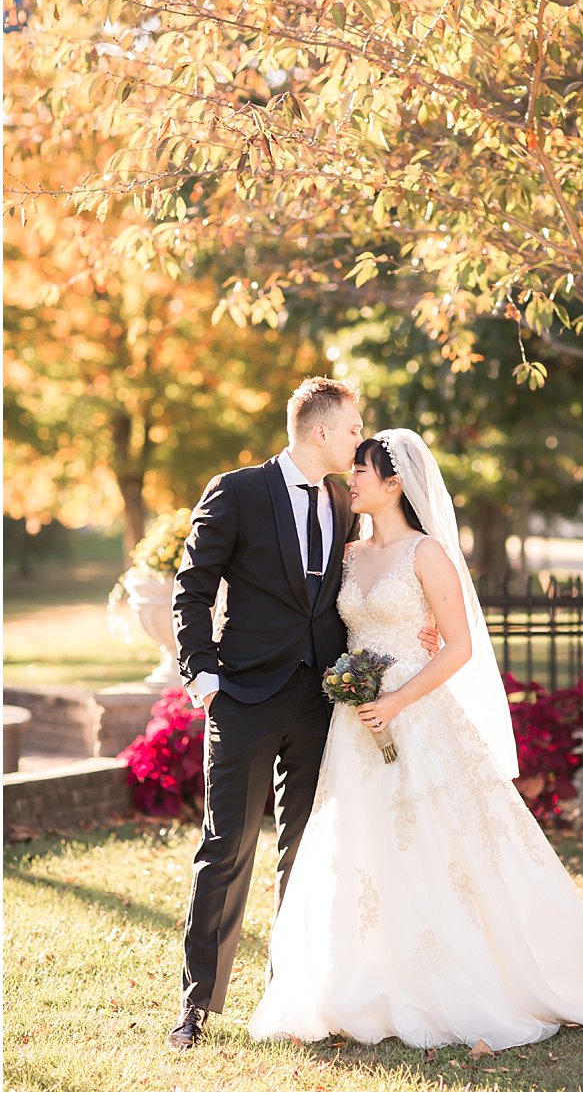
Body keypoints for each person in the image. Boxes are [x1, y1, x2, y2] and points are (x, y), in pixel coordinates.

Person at [248, 428, 583, 1048]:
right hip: (355, 726)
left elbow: (460, 646)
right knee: (359, 851)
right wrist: (354, 689)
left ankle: (456, 975)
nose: (350, 480)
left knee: (440, 849)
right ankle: (364, 978)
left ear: (394, 483)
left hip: (416, 719)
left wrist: (395, 699)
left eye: (361, 470)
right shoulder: (349, 554)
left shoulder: (427, 555)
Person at [170, 377, 441, 1050]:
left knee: (306, 852)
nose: (360, 440)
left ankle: (290, 990)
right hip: (243, 700)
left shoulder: (343, 505)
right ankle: (197, 1005)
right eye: (352, 428)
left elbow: (364, 589)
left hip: (323, 706)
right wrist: (204, 678)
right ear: (320, 431)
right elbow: (192, 586)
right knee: (226, 848)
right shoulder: (236, 491)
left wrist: (419, 633)